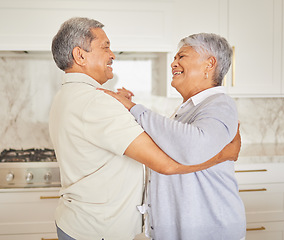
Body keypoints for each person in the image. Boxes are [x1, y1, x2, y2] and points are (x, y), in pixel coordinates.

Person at [49, 17, 242, 240]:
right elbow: (166, 164)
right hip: (97, 230)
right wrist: (224, 155)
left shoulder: (69, 95)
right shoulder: (96, 102)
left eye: (182, 56)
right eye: (105, 47)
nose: (112, 54)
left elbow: (185, 145)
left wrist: (128, 109)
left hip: (83, 225)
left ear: (210, 64)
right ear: (80, 55)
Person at [104, 33, 246, 240]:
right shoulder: (190, 108)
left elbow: (193, 148)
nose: (173, 63)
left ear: (209, 64)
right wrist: (130, 111)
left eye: (182, 57)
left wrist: (135, 109)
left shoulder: (220, 104)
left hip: (211, 231)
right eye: (174, 58)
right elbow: (168, 145)